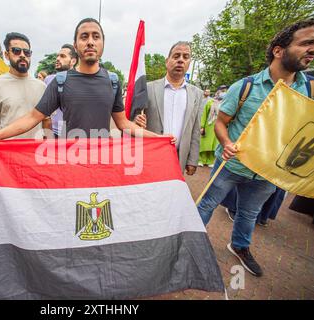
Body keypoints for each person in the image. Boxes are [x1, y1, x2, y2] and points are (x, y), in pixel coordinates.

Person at [197, 19, 314, 277]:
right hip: (232, 165)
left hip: (267, 174)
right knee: (206, 205)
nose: (311, 50)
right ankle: (191, 245)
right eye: (306, 43)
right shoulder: (246, 86)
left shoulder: (308, 89)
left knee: (249, 214)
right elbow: (221, 123)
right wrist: (226, 143)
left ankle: (240, 246)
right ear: (278, 50)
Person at [0, 18, 163, 149]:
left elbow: (123, 123)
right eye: (84, 37)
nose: (90, 42)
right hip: (70, 159)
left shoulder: (112, 81)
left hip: (103, 159)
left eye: (96, 37)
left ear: (103, 43)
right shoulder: (60, 82)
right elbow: (32, 117)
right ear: (75, 45)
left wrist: (159, 139)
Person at [134, 41, 205, 174]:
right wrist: (136, 121)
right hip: (151, 154)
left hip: (178, 157)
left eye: (185, 57)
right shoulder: (148, 88)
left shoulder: (197, 94)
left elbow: (195, 129)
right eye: (176, 56)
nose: (180, 60)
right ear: (167, 61)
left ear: (189, 63)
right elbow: (132, 121)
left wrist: (193, 160)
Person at [0, 32, 46, 138]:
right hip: (8, 151)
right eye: (16, 51)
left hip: (35, 151)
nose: (22, 55)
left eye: (26, 52)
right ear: (6, 55)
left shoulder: (41, 86)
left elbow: (46, 122)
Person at [43, 44, 79, 138]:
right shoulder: (49, 79)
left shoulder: (81, 82)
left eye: (62, 56)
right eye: (57, 56)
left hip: (73, 134)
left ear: (73, 61)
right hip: (53, 133)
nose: (58, 58)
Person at [199, 86, 227, 167]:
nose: (222, 93)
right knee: (205, 144)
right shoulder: (210, 102)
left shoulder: (225, 103)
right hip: (208, 125)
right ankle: (201, 159)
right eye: (221, 91)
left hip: (218, 126)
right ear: (217, 92)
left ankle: (210, 161)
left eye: (224, 91)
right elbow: (204, 115)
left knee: (214, 145)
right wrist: (202, 126)